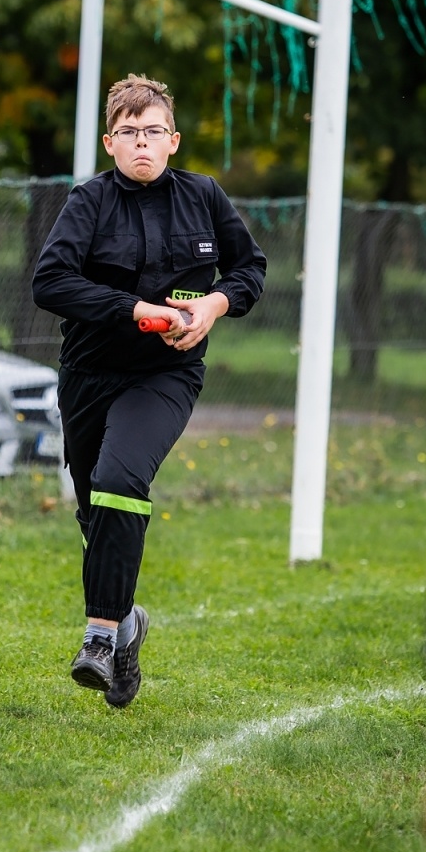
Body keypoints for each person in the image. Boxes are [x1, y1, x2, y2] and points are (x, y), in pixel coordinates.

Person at [31, 74, 266, 708]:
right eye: (129, 133)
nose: (142, 143)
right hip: (89, 374)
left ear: (173, 140)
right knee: (96, 512)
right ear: (110, 142)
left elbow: (250, 268)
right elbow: (49, 283)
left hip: (165, 375)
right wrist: (131, 309)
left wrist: (214, 305)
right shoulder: (88, 201)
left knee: (121, 481)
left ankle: (100, 639)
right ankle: (129, 624)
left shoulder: (205, 197)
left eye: (153, 132)